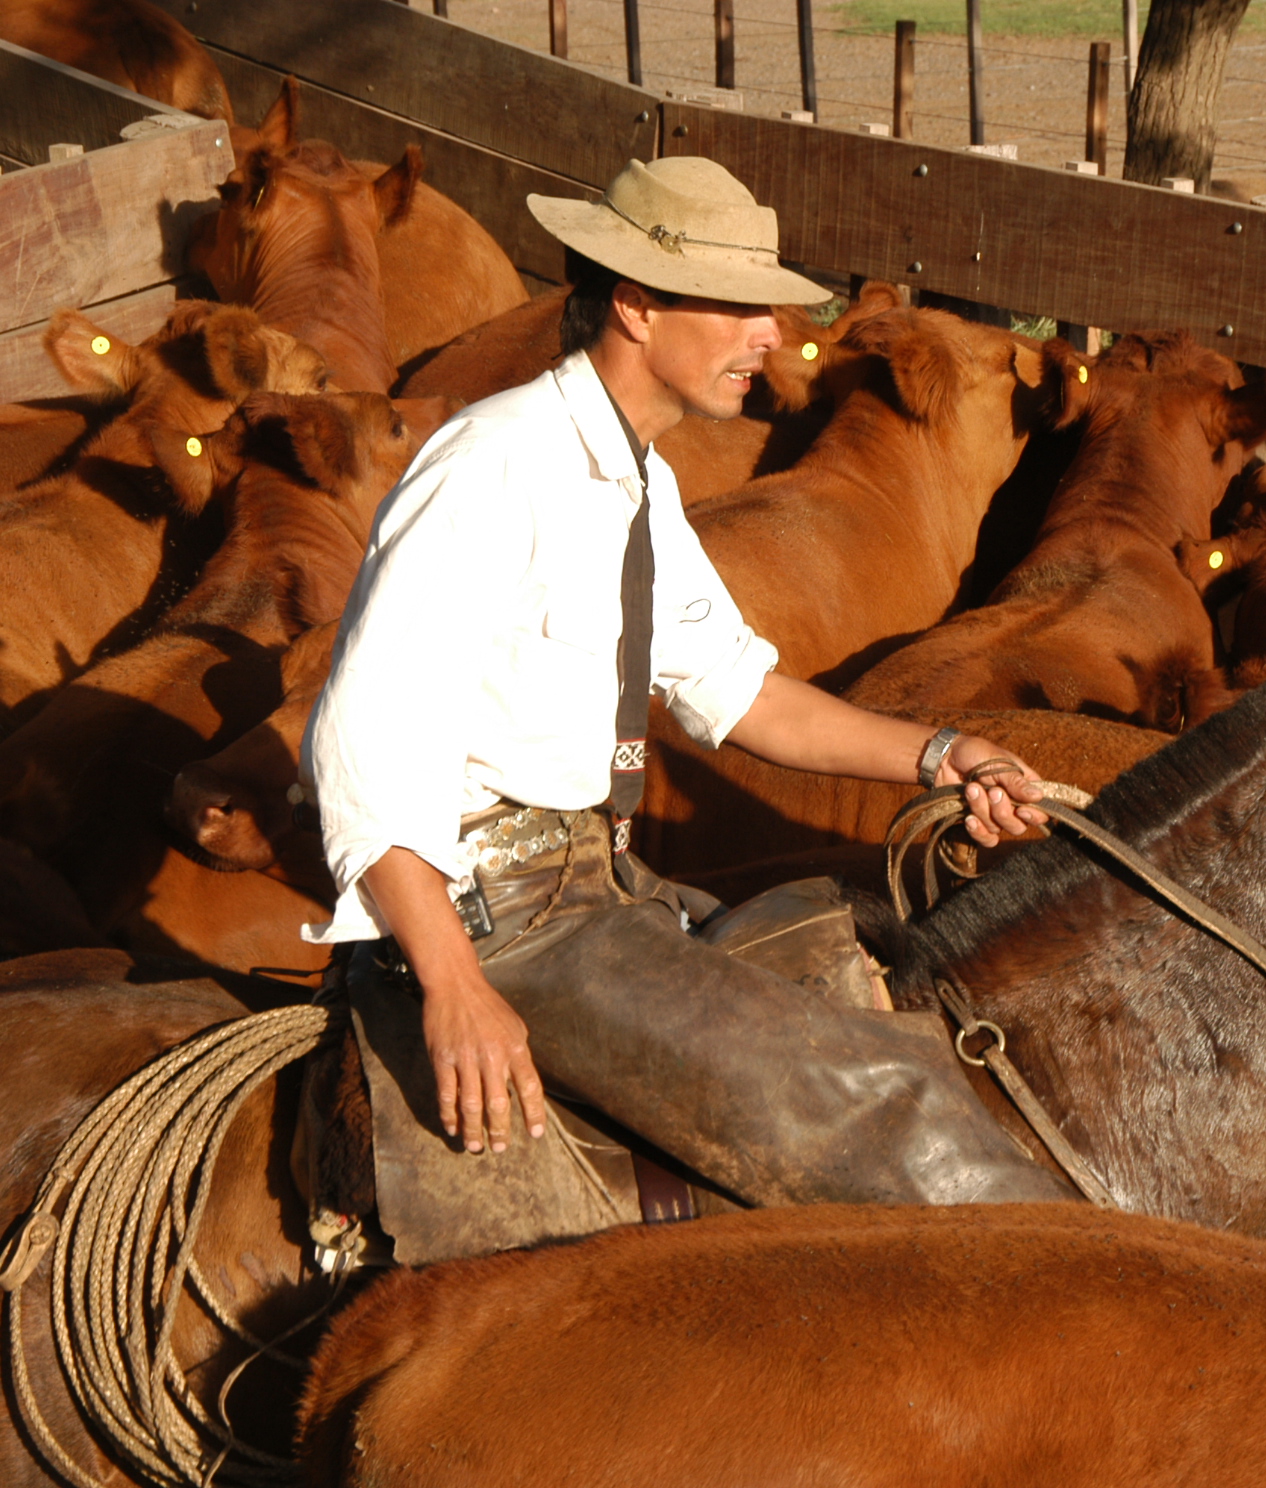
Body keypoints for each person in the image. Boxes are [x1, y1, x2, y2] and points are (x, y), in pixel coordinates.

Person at [302, 156, 1071, 1209]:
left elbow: (744, 694)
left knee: (892, 995)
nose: (772, 334)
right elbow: (362, 738)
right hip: (507, 919)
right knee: (890, 1103)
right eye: (738, 305)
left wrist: (943, 755)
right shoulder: (494, 461)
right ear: (636, 304)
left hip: (600, 891)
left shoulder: (638, 479)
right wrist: (452, 985)